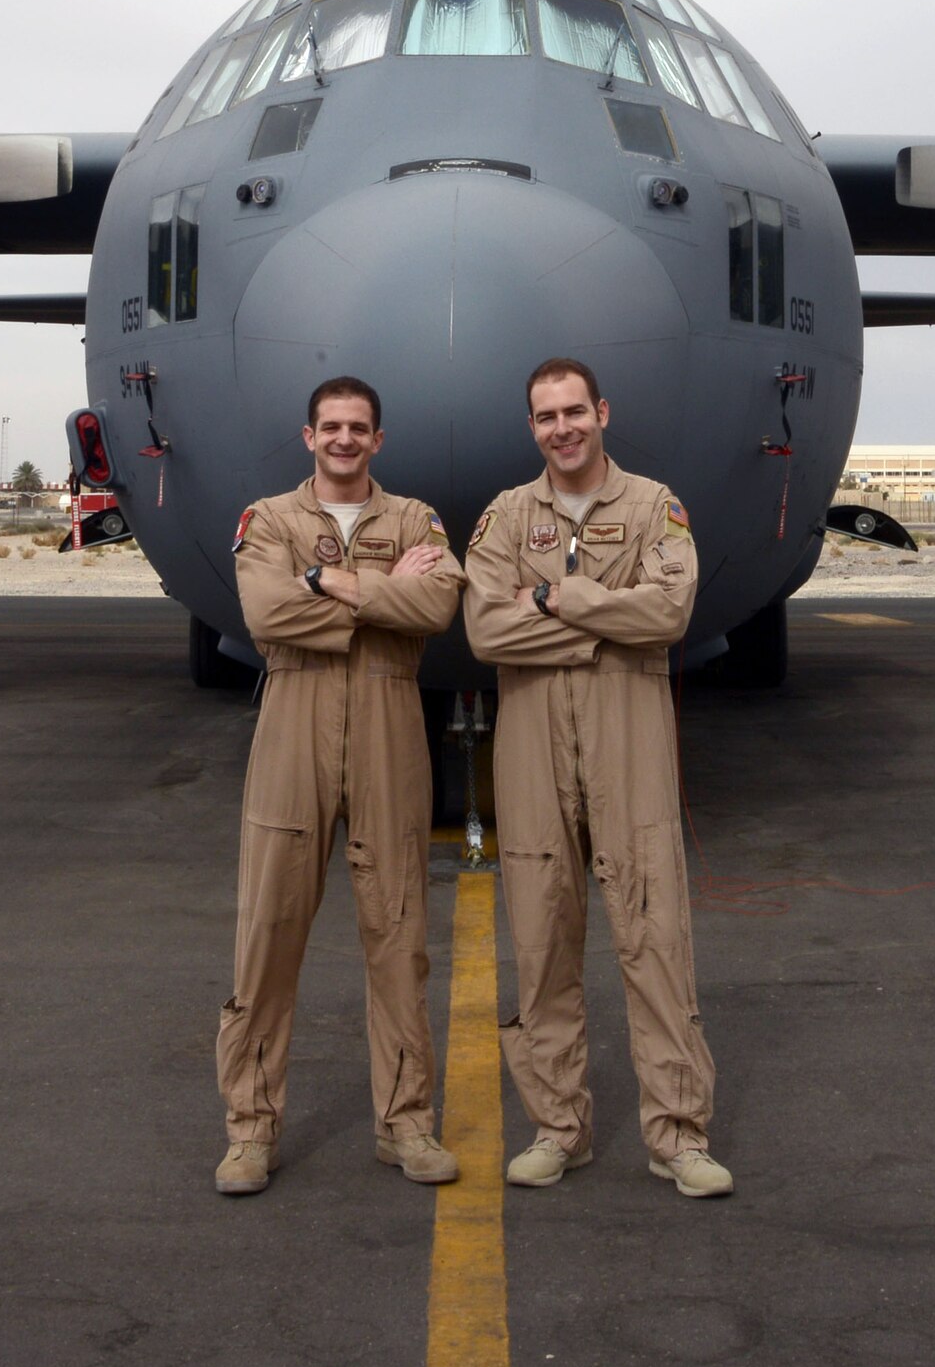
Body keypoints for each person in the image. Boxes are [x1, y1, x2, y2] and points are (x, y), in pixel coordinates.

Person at [463, 357, 732, 1198]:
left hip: (630, 736)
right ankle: (558, 1128)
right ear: (532, 427)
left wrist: (556, 600)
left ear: (602, 413)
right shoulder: (507, 515)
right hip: (532, 742)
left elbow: (670, 613)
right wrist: (599, 619)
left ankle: (679, 1135)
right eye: (546, 417)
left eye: (574, 411)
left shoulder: (655, 506)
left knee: (653, 933)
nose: (562, 429)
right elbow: (484, 629)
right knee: (541, 938)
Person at [216, 377, 466, 1195]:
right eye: (332, 428)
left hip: (392, 725)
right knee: (269, 934)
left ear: (378, 440)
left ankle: (407, 1125)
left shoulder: (415, 519)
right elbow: (265, 617)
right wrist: (377, 595)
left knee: (398, 934)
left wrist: (327, 584)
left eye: (360, 428)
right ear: (309, 436)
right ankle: (250, 1131)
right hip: (294, 721)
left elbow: (437, 608)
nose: (346, 440)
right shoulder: (270, 520)